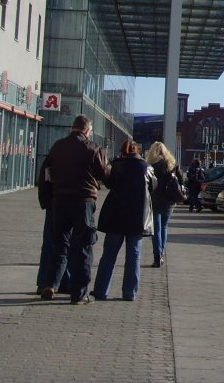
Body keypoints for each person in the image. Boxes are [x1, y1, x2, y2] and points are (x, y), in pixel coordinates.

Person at [40, 114, 109, 305]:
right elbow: (104, 173)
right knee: (83, 247)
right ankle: (79, 294)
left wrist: (46, 199)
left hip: (59, 201)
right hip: (83, 202)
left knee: (59, 245)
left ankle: (51, 284)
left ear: (73, 128)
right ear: (87, 130)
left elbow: (45, 173)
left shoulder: (57, 146)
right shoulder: (93, 148)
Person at [91, 140, 156, 302]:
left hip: (116, 216)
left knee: (109, 255)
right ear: (138, 151)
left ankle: (100, 291)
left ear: (123, 151)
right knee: (133, 256)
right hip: (137, 217)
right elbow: (154, 186)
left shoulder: (117, 165)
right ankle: (129, 293)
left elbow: (109, 183)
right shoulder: (146, 167)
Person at [35, 155, 70, 296]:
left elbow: (44, 180)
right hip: (75, 204)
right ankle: (65, 282)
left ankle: (44, 282)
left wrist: (45, 201)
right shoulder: (86, 152)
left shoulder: (55, 152)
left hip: (54, 203)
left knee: (49, 244)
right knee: (69, 245)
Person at [146, 141, 183, 267]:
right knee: (164, 227)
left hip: (155, 200)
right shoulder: (171, 164)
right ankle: (161, 253)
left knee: (156, 229)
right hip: (169, 201)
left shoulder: (151, 165)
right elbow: (181, 180)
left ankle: (157, 257)